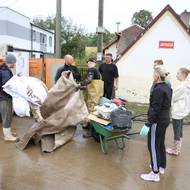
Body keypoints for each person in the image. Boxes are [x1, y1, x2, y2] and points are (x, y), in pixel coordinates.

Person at [140, 67, 172, 182]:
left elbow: (155, 108)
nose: (152, 75)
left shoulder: (158, 89)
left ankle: (154, 173)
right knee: (160, 144)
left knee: (152, 146)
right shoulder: (168, 87)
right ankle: (161, 166)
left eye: (154, 73)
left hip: (157, 122)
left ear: (158, 76)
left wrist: (149, 123)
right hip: (165, 119)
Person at [166, 68, 190, 156]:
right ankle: (177, 148)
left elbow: (173, 97)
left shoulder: (182, 87)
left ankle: (176, 150)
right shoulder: (186, 85)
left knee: (177, 130)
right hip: (181, 110)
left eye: (178, 73)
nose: (177, 75)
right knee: (179, 130)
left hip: (178, 111)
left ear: (183, 75)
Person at [81, 58, 103, 138]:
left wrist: (80, 84)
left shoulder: (92, 70)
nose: (88, 64)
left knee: (91, 111)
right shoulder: (97, 71)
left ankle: (91, 132)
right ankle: (88, 125)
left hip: (93, 96)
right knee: (93, 110)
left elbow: (89, 80)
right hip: (96, 95)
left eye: (88, 62)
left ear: (91, 63)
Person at [0, 54, 17, 141]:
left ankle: (8, 132)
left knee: (7, 115)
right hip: (5, 97)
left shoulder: (3, 69)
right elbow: (7, 85)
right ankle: (7, 136)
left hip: (3, 97)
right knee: (7, 116)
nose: (15, 64)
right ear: (11, 62)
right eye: (14, 62)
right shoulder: (5, 72)